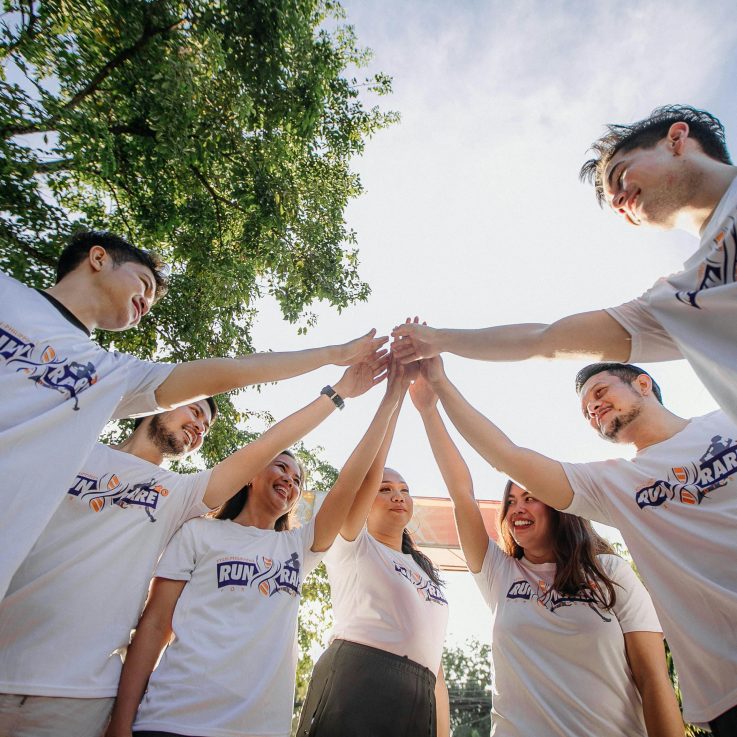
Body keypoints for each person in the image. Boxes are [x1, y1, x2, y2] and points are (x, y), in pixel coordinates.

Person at [0, 355, 387, 737]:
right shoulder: (73, 447)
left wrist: (340, 393)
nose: (200, 426)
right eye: (196, 411)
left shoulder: (179, 496)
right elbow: (156, 623)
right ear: (158, 401)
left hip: (82, 693)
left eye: (206, 425)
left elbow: (279, 449)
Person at [0, 229, 386, 596]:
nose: (146, 304)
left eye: (206, 424)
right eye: (144, 286)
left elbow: (239, 375)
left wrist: (335, 365)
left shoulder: (115, 378)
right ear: (98, 258)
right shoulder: (9, 296)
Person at [421, 357, 737, 734]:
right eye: (510, 501)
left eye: (530, 497)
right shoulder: (499, 573)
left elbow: (653, 678)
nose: (518, 506)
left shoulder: (610, 572)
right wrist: (430, 405)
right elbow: (466, 490)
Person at [104, 360, 406, 737]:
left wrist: (391, 400)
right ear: (251, 475)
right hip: (172, 721)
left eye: (297, 480)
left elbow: (351, 483)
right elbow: (154, 626)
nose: (289, 480)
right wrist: (120, 720)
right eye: (280, 468)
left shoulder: (299, 547)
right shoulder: (199, 532)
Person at [391, 105, 737, 424]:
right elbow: (544, 340)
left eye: (620, 175)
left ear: (676, 139)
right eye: (616, 208)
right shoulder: (675, 301)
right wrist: (437, 340)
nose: (619, 201)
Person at [296, 364, 450, 737]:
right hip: (359, 677)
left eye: (404, 489)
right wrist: (394, 394)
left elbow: (436, 664)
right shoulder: (353, 544)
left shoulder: (426, 570)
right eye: (385, 488)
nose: (397, 494)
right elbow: (366, 473)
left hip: (419, 692)